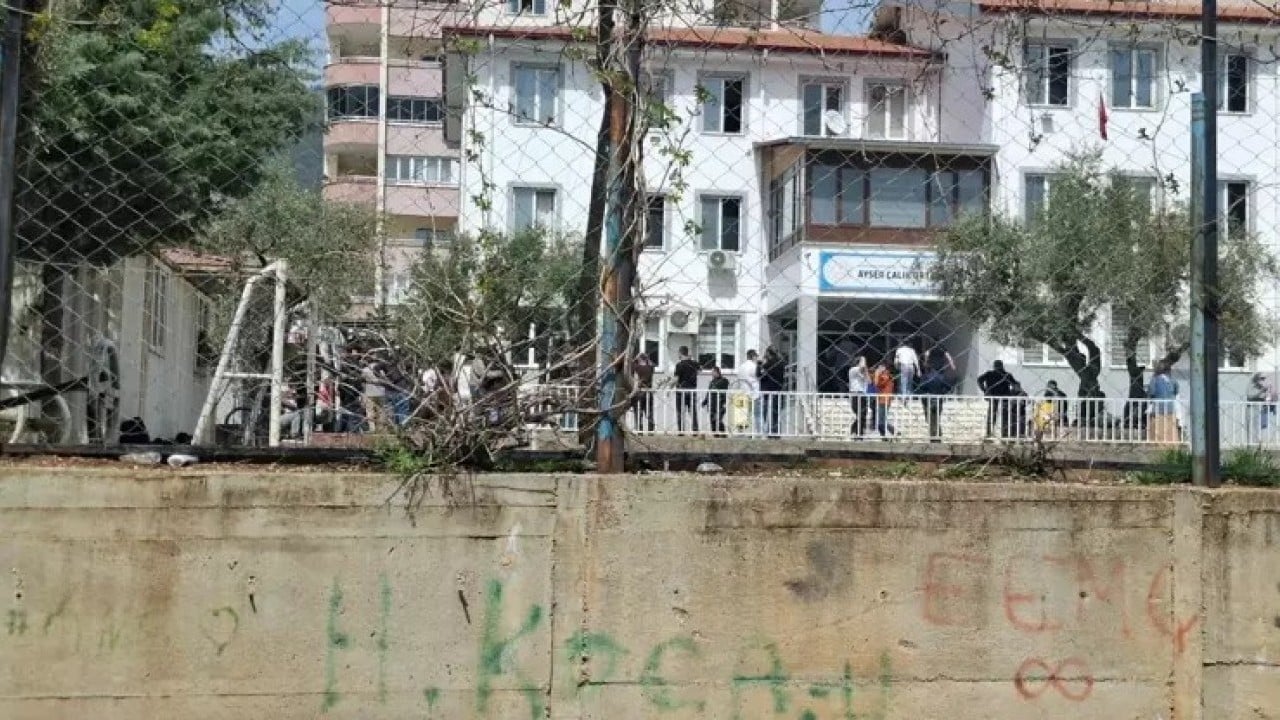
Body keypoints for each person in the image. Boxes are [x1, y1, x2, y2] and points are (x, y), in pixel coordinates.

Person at [916, 349, 954, 441]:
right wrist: (942, 392)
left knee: (930, 419)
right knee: (936, 418)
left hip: (927, 400)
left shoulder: (926, 377)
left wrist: (924, 394)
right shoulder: (942, 378)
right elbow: (949, 387)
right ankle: (937, 435)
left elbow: (920, 388)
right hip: (938, 398)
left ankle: (933, 435)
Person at [978, 360, 1017, 438]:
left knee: (992, 416)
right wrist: (1011, 393)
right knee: (1005, 416)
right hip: (1004, 397)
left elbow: (979, 380)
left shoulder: (989, 374)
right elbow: (1015, 384)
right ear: (1002, 366)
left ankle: (989, 434)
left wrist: (984, 390)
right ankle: (1004, 434)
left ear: (994, 366)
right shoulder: (1007, 375)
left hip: (993, 396)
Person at [1147, 362, 1179, 443]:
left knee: (1157, 428)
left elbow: (1152, 392)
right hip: (1170, 407)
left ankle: (1156, 442)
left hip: (1158, 408)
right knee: (1170, 428)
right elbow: (1176, 391)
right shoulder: (1173, 380)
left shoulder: (1154, 380)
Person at [760, 346, 787, 437]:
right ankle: (776, 433)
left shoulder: (769, 363)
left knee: (767, 413)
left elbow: (760, 374)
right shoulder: (781, 362)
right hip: (779, 390)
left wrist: (761, 364)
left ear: (768, 353)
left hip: (769, 391)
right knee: (776, 414)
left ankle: (770, 433)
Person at [673, 346, 700, 434]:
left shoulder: (679, 365)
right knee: (693, 411)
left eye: (678, 353)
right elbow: (700, 370)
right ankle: (695, 430)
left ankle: (681, 430)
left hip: (681, 391)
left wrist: (672, 386)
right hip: (692, 390)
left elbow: (676, 379)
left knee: (680, 411)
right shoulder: (694, 363)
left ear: (680, 353)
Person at [872, 359, 897, 439]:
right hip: (883, 399)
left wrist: (877, 374)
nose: (879, 368)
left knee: (881, 421)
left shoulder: (885, 375)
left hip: (884, 399)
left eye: (880, 367)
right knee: (882, 420)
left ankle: (890, 433)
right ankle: (889, 433)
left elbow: (877, 384)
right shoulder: (886, 375)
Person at [702, 366, 730, 437]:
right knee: (712, 421)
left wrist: (723, 402)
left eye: (713, 372)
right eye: (711, 372)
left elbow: (724, 389)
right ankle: (715, 435)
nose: (712, 373)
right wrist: (705, 402)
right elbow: (708, 393)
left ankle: (723, 434)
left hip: (720, 404)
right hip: (712, 404)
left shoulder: (724, 380)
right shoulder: (712, 382)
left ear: (717, 372)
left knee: (718, 419)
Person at [632, 352, 656, 432]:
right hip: (649, 392)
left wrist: (636, 358)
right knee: (649, 411)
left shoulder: (637, 367)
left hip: (640, 392)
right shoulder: (650, 368)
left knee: (639, 411)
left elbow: (633, 362)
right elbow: (652, 364)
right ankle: (651, 430)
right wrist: (647, 359)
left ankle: (640, 429)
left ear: (639, 359)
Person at [848, 355, 871, 437]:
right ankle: (856, 431)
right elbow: (862, 368)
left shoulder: (864, 371)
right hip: (856, 394)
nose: (865, 363)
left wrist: (866, 372)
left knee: (863, 414)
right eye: (863, 361)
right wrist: (863, 361)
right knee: (860, 414)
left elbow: (869, 381)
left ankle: (857, 431)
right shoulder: (853, 370)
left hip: (863, 394)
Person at [740, 349, 762, 435]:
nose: (757, 358)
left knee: (745, 414)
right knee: (757, 415)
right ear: (753, 357)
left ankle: (744, 432)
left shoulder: (742, 366)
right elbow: (759, 376)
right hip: (754, 393)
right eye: (756, 356)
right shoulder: (754, 366)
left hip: (744, 392)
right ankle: (758, 433)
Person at [1248, 372, 1275, 440]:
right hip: (1253, 410)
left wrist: (1270, 395)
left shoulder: (1264, 387)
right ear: (1256, 379)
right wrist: (1261, 391)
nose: (1263, 380)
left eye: (1264, 378)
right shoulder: (1252, 386)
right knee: (1254, 428)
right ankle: (1255, 443)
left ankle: (1260, 443)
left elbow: (1269, 397)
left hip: (1262, 410)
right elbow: (1250, 396)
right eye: (1262, 378)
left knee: (1262, 427)